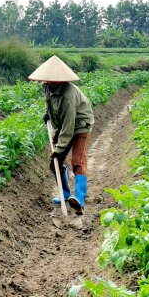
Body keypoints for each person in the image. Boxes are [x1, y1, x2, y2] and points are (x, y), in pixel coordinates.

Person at [29, 55, 94, 215]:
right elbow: (50, 103)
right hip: (64, 124)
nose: (51, 81)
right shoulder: (46, 87)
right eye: (49, 78)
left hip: (80, 125)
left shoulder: (68, 95)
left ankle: (79, 198)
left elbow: (68, 126)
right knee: (55, 163)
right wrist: (48, 114)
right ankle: (65, 193)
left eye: (55, 79)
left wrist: (59, 148)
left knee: (77, 161)